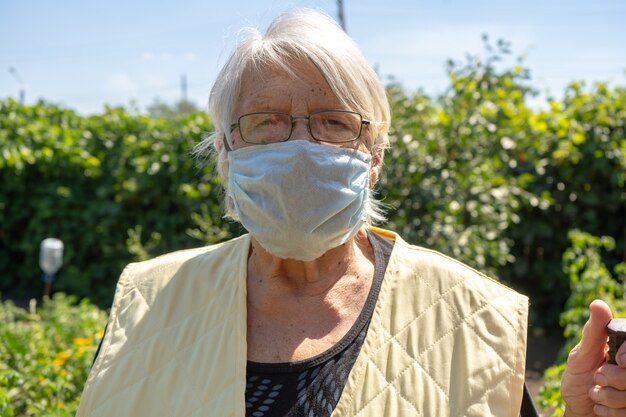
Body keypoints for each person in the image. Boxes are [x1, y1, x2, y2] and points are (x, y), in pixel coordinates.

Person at [76, 8, 626, 417]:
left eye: (333, 122)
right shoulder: (148, 305)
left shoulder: (470, 316)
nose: (298, 147)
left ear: (375, 156)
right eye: (264, 121)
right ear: (224, 152)